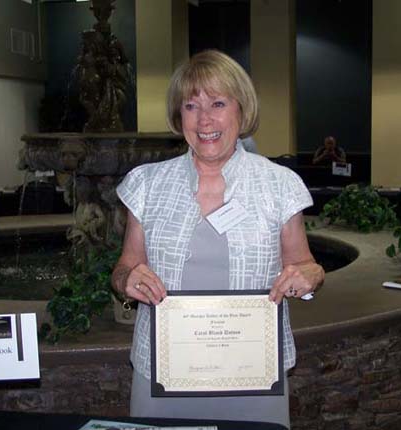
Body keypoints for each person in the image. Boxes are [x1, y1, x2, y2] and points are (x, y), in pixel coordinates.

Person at [111, 50, 324, 428]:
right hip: (164, 370)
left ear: (242, 110)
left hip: (253, 373)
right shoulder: (147, 184)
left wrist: (308, 276)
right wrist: (127, 280)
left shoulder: (279, 185)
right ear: (180, 117)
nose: (205, 119)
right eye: (191, 106)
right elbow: (125, 268)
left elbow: (305, 265)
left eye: (218, 103)